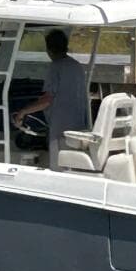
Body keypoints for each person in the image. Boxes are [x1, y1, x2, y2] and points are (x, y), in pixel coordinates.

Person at [12, 28, 89, 167]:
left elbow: (47, 100)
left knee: (58, 165)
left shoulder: (56, 67)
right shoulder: (76, 66)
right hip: (79, 125)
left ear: (49, 49)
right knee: (72, 165)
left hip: (61, 128)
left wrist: (23, 112)